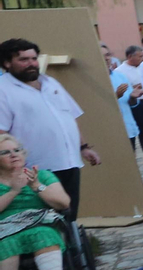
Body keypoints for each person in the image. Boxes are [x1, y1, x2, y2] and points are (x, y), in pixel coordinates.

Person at [0, 38, 101, 222]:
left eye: (33, 58)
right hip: (35, 169)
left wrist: (84, 147)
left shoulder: (50, 83)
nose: (31, 64)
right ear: (7, 63)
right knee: (46, 217)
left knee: (69, 211)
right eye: (23, 59)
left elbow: (69, 117)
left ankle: (72, 247)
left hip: (68, 161)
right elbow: (1, 134)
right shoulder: (3, 90)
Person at [0, 133, 77, 270]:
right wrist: (14, 191)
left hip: (40, 223)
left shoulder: (42, 175)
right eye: (5, 152)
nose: (13, 154)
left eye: (17, 150)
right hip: (5, 229)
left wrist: (37, 186)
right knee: (5, 243)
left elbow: (64, 203)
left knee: (44, 234)